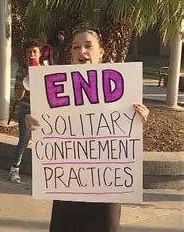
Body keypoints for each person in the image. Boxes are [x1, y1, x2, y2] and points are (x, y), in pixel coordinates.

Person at [26, 29, 149, 232]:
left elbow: (123, 131)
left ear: (101, 52)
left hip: (107, 185)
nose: (81, 51)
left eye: (88, 45)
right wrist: (30, 120)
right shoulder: (55, 84)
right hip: (68, 184)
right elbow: (46, 123)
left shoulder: (121, 86)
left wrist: (139, 118)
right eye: (75, 47)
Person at [9, 39, 45, 183]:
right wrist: (26, 81)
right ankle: (14, 169)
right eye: (29, 52)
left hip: (42, 112)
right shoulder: (22, 70)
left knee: (42, 142)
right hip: (26, 110)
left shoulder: (45, 69)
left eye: (35, 51)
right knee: (23, 141)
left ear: (40, 53)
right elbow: (18, 96)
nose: (32, 54)